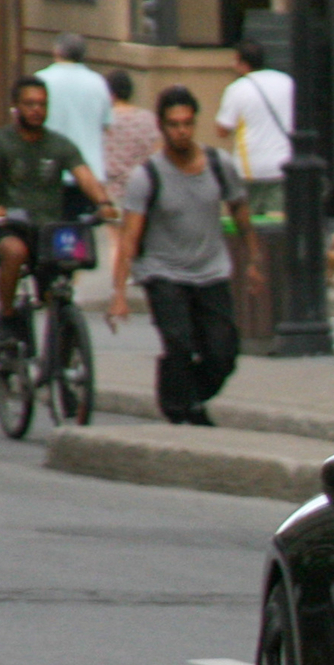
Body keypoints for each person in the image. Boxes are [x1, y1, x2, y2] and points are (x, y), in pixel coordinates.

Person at [111, 85, 263, 427]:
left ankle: (184, 395)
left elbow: (240, 211)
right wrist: (119, 293)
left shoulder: (218, 164)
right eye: (173, 124)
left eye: (187, 123)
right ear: (162, 128)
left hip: (211, 270)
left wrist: (253, 259)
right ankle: (182, 407)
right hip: (163, 272)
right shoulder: (147, 176)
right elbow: (130, 237)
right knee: (179, 343)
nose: (181, 131)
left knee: (223, 353)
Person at [0, 75, 118, 341]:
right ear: (15, 106)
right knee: (15, 252)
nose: (36, 110)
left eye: (42, 104)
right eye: (29, 104)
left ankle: (64, 343)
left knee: (60, 284)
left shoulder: (59, 145)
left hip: (48, 231)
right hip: (9, 227)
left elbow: (85, 176)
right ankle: (7, 316)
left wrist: (104, 203)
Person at [215, 40, 294, 220]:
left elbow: (222, 130)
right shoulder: (286, 81)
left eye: (234, 61)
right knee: (277, 223)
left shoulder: (237, 89)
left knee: (248, 224)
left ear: (242, 63)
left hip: (250, 167)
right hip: (283, 165)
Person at [36, 32, 111, 171]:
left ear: (56, 51)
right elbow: (105, 126)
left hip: (51, 171)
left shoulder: (40, 81)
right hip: (90, 171)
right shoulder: (99, 83)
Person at [102, 68, 163, 201]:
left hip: (113, 194)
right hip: (144, 193)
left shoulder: (105, 121)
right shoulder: (149, 119)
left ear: (110, 94)